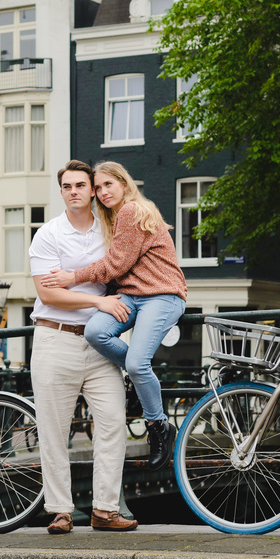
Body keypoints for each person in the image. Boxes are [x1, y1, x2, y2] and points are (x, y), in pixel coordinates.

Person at [41, 160, 187, 471]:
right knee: (96, 332)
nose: (103, 191)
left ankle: (159, 426)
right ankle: (142, 377)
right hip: (132, 296)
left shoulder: (133, 211)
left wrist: (71, 277)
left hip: (162, 295)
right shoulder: (113, 218)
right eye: (99, 187)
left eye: (109, 184)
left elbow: (115, 265)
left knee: (136, 361)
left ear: (124, 184)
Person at [29, 159, 139, 534]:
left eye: (80, 185)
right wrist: (98, 302)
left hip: (98, 344)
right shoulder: (48, 235)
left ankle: (104, 510)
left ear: (93, 191)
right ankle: (60, 510)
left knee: (112, 422)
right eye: (67, 186)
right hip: (54, 338)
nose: (74, 191)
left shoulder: (109, 231)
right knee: (54, 430)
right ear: (61, 192)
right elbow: (47, 291)